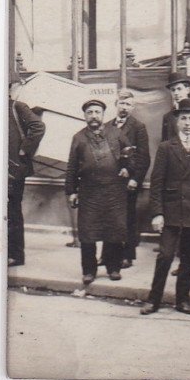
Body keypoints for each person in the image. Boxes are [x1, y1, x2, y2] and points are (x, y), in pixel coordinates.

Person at [141, 98, 190, 316]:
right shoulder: (166, 147)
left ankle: (183, 300)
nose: (187, 123)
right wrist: (157, 213)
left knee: (189, 259)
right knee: (165, 256)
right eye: (183, 118)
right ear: (177, 121)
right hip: (171, 210)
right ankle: (153, 300)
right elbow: (157, 182)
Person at [65, 99, 133, 291]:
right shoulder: (78, 138)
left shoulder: (117, 133)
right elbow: (71, 167)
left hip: (114, 190)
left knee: (115, 228)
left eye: (97, 112)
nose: (93, 116)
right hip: (89, 191)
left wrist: (127, 168)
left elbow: (130, 154)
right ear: (85, 115)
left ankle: (113, 267)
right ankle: (89, 270)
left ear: (103, 115)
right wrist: (71, 191)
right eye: (90, 112)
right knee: (88, 232)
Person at [105, 89, 150, 269]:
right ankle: (108, 255)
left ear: (133, 108)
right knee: (109, 218)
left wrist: (136, 179)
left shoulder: (138, 127)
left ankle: (127, 255)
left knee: (127, 218)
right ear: (116, 105)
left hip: (128, 181)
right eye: (122, 103)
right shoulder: (107, 126)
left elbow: (144, 157)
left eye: (128, 104)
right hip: (109, 181)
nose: (124, 107)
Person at [8, 77, 45, 267]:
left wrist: (24, 149)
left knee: (12, 210)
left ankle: (16, 254)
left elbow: (38, 127)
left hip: (13, 169)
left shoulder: (17, 106)